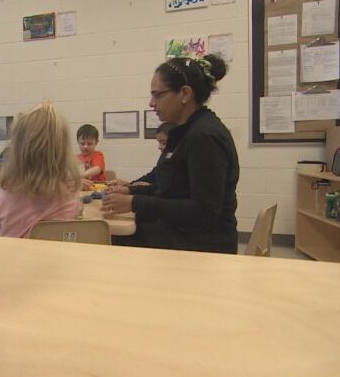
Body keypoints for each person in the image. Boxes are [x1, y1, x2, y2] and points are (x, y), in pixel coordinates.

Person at [102, 54, 239, 254]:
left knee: (110, 240)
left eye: (158, 95)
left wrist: (134, 202)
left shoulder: (204, 136)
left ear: (184, 94)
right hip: (186, 234)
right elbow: (172, 190)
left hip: (202, 244)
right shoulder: (186, 131)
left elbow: (204, 211)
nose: (151, 103)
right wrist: (131, 191)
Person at [0, 103, 92, 238]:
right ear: (62, 149)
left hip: (11, 257)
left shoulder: (5, 189)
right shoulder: (69, 192)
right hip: (55, 258)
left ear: (17, 147)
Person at [109, 122, 176, 187]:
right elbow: (151, 176)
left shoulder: (180, 161)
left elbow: (169, 189)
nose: (159, 147)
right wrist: (129, 184)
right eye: (159, 142)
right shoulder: (164, 157)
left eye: (164, 143)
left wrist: (149, 187)